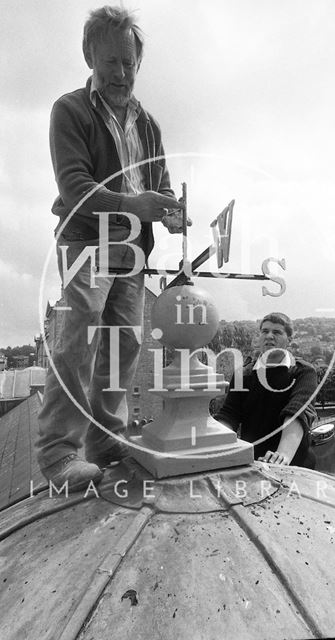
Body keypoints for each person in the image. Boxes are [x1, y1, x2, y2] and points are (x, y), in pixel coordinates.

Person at [37, 6, 187, 490]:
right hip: (87, 241)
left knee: (126, 344)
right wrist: (134, 205)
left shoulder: (150, 125)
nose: (121, 73)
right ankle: (59, 454)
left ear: (138, 63)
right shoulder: (70, 110)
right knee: (80, 331)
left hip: (133, 251)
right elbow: (75, 185)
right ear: (90, 57)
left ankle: (106, 440)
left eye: (129, 62)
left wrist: (169, 211)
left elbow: (159, 185)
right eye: (111, 62)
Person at [215, 313, 317, 468]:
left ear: (289, 340)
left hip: (295, 465)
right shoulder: (243, 374)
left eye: (277, 332)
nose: (269, 336)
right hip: (252, 464)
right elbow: (229, 415)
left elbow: (297, 412)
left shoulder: (303, 372)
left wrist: (282, 455)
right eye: (265, 331)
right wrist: (215, 445)